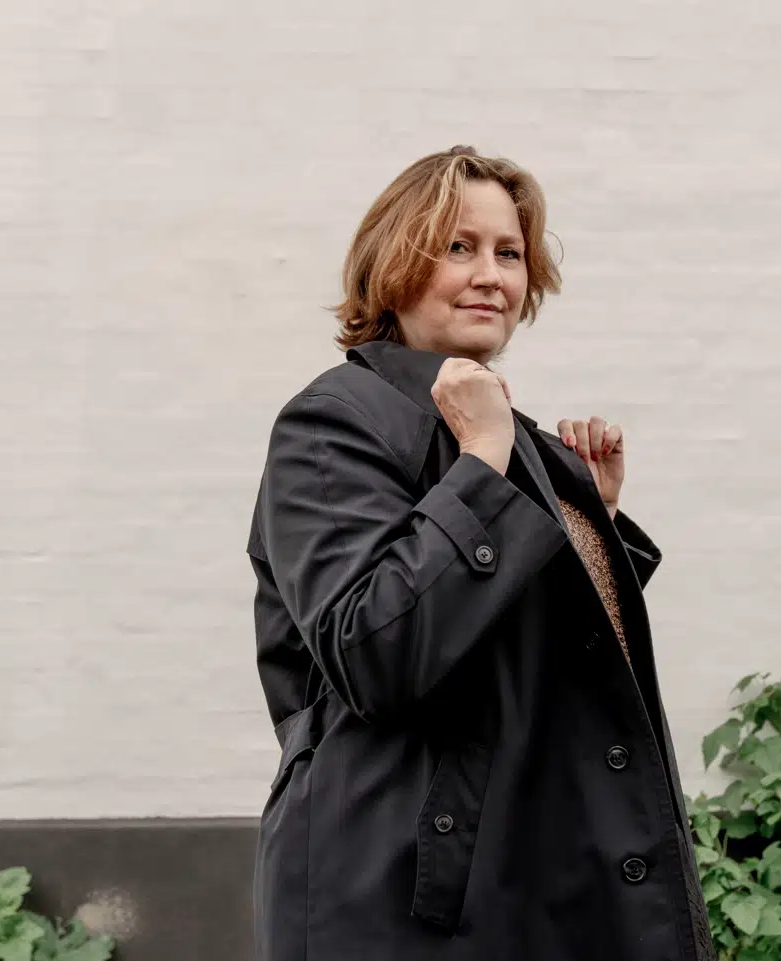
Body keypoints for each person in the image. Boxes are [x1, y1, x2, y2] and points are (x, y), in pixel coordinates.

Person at [247, 145, 714, 961]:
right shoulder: (335, 420)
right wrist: (483, 464)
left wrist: (593, 522)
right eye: (458, 247)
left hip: (538, 878)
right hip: (407, 900)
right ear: (395, 262)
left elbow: (535, 665)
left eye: (510, 253)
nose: (491, 275)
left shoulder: (507, 436)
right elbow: (376, 653)